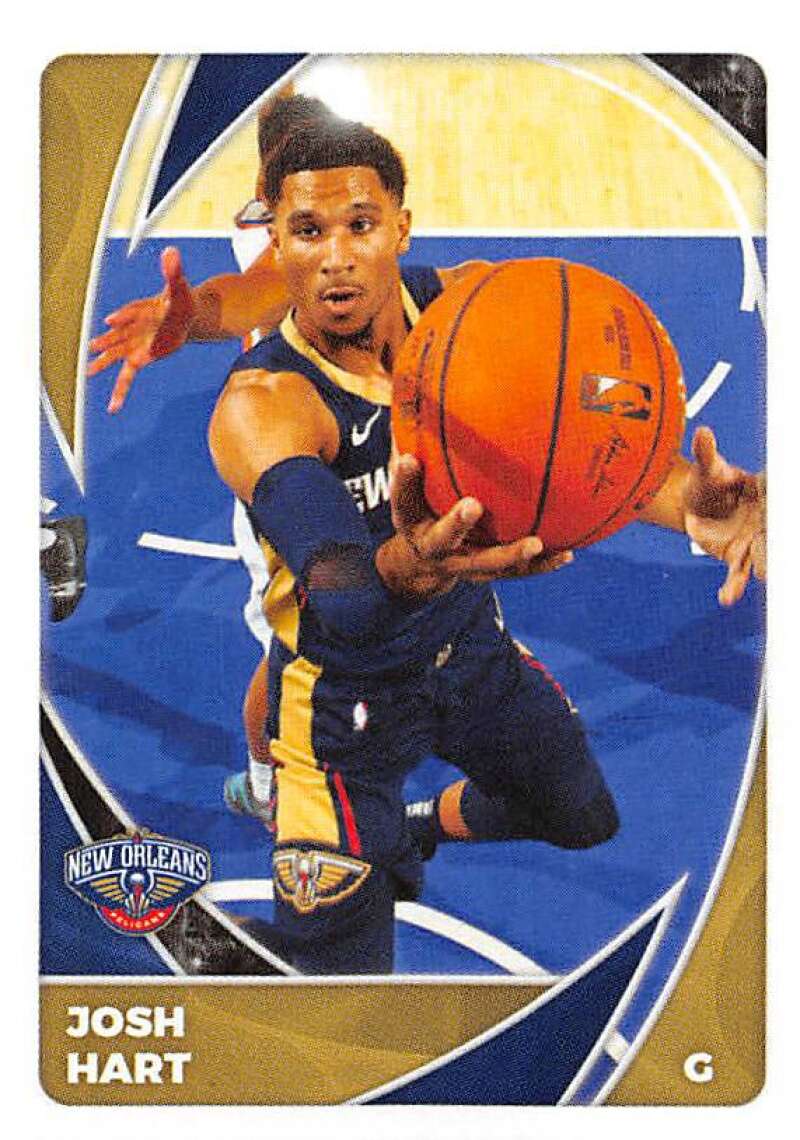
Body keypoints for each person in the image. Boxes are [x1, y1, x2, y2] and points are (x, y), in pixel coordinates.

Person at [89, 112, 765, 976]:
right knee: (333, 990)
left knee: (582, 816)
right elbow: (341, 592)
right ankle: (277, 793)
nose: (337, 257)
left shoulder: (468, 309)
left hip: (468, 649)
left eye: (361, 226)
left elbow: (572, 454)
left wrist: (690, 506)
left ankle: (408, 826)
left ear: (401, 228)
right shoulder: (263, 407)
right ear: (278, 241)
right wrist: (411, 567)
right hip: (340, 701)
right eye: (308, 233)